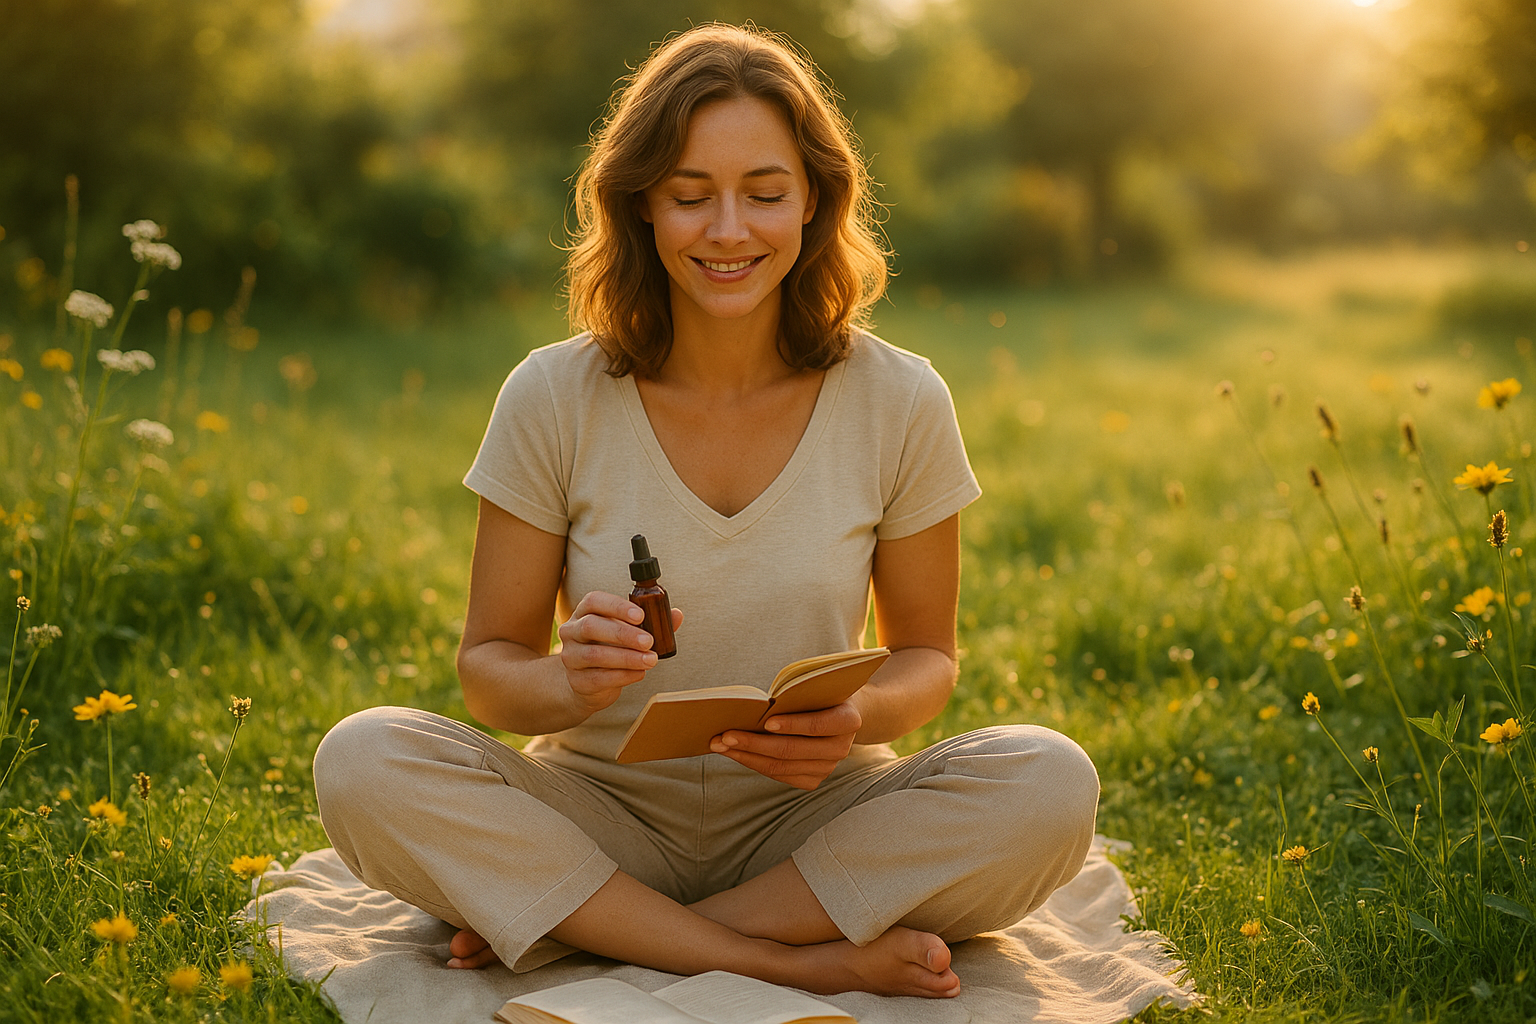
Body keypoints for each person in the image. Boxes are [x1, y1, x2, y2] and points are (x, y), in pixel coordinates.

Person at [312, 22, 1099, 1000]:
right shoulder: (552, 394)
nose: (729, 230)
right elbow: (489, 671)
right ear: (642, 205)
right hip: (593, 809)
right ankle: (776, 956)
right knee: (364, 758)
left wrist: (857, 715)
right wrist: (569, 683)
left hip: (811, 821)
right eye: (691, 197)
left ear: (815, 197)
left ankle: (592, 929)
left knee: (1050, 781)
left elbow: (929, 658)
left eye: (764, 194)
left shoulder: (900, 399)